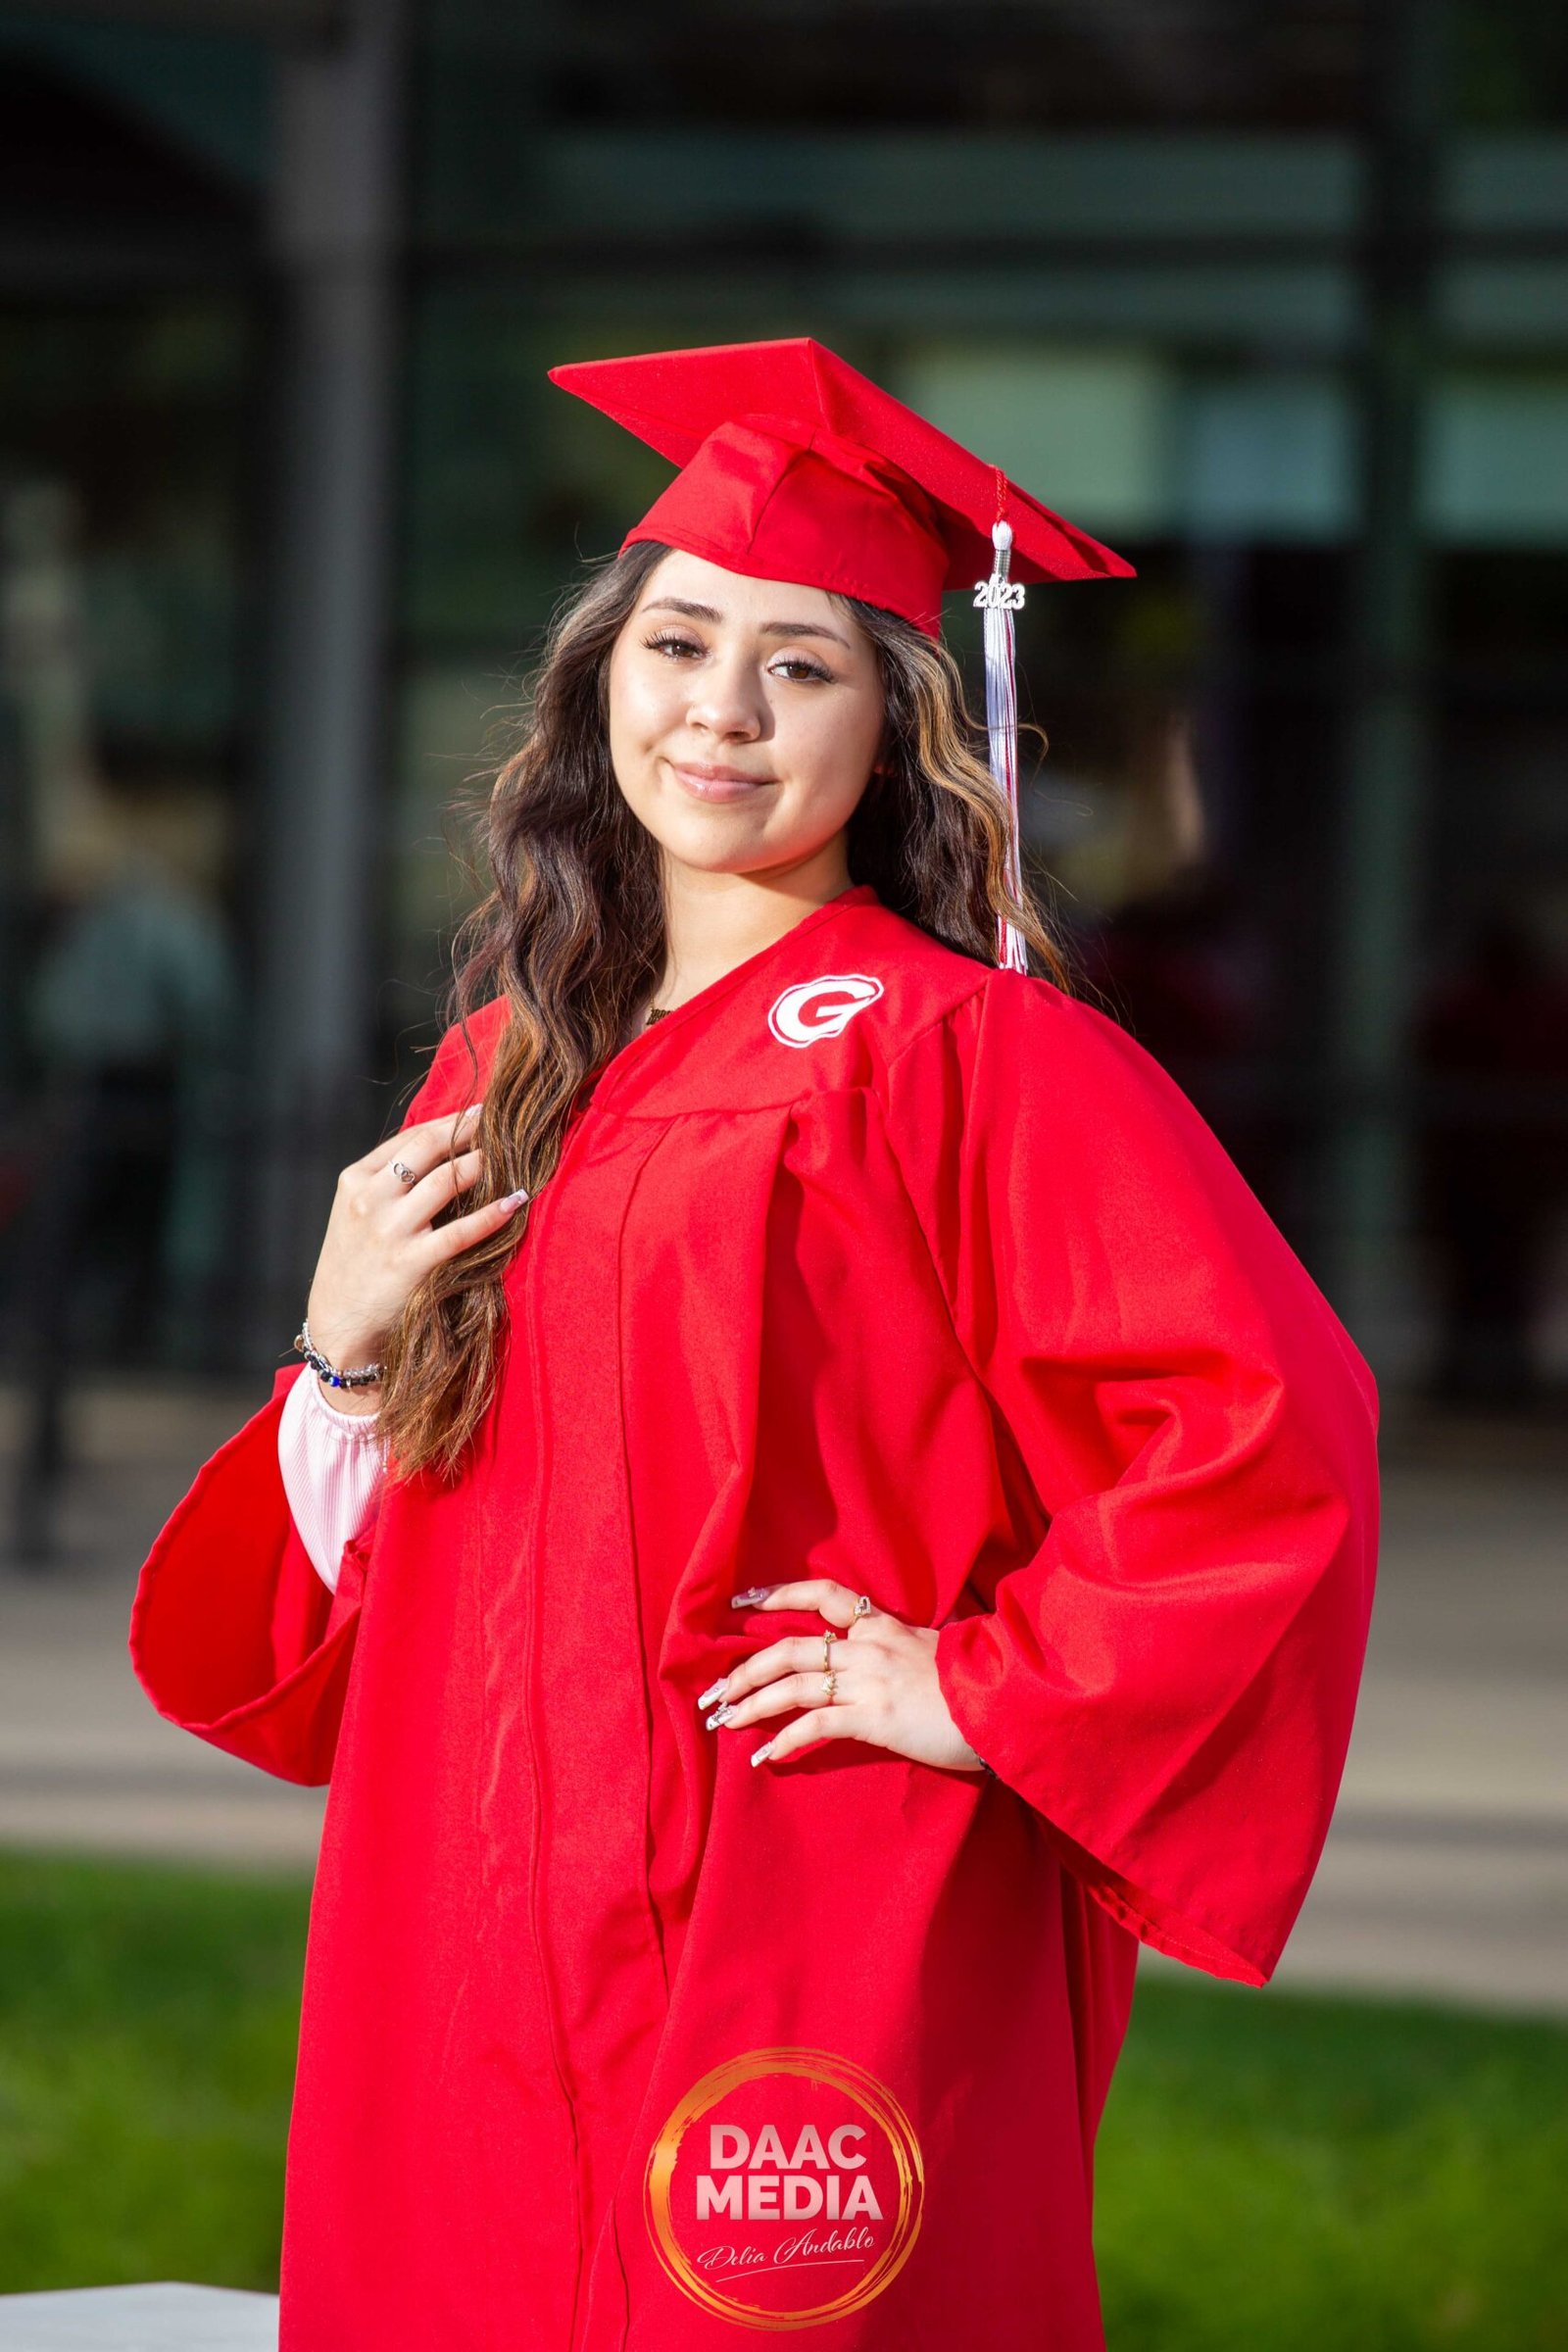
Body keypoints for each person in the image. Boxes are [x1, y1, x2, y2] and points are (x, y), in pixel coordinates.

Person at [127, 339, 1380, 2352]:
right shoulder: (504, 1067)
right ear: (595, 689)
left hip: (807, 1885)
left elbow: (1264, 1426)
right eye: (675, 645)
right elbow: (379, 1570)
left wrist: (982, 1687)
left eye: (798, 665)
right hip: (471, 1896)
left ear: (896, 731)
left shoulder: (971, 1055)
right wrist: (339, 1350)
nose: (719, 708)